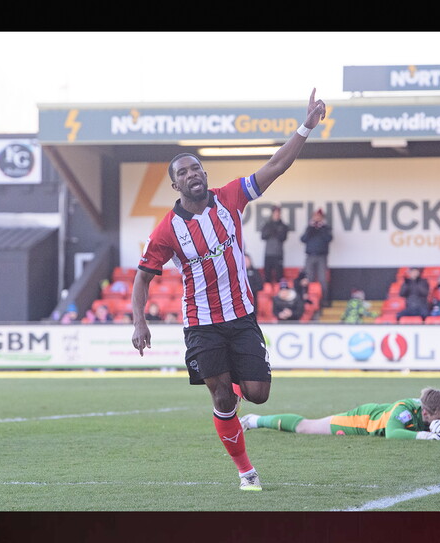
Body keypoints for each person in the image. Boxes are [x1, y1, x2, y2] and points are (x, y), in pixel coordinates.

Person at [131, 89, 327, 492]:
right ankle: (246, 472)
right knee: (221, 399)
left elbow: (276, 165)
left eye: (197, 168)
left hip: (241, 317)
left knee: (258, 394)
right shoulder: (167, 230)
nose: (193, 174)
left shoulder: (231, 198)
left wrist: (306, 126)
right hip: (201, 324)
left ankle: (235, 386)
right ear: (175, 184)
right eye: (184, 172)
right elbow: (143, 277)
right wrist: (139, 321)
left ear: (205, 174)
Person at [240, 387, 440, 440]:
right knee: (306, 427)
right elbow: (393, 433)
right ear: (426, 413)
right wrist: (428, 436)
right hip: (360, 421)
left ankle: (254, 420)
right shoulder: (404, 410)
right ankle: (254, 420)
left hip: (373, 413)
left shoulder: (436, 410)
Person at [300, 207, 333, 308]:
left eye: (319, 216)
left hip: (321, 256)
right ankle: (308, 301)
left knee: (323, 279)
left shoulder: (326, 228)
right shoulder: (309, 228)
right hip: (310, 255)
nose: (317, 218)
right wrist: (311, 228)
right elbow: (303, 239)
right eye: (315, 216)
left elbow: (329, 239)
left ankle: (324, 300)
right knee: (308, 278)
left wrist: (321, 228)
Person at [260, 205, 289, 287]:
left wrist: (276, 231)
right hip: (268, 253)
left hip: (278, 254)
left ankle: (279, 292)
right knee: (267, 275)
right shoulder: (267, 225)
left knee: (279, 275)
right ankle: (268, 292)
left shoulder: (283, 226)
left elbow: (283, 238)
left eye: (278, 213)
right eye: (275, 213)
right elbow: (263, 237)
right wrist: (271, 230)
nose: (277, 215)